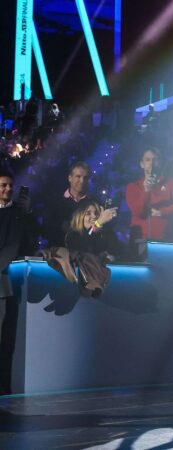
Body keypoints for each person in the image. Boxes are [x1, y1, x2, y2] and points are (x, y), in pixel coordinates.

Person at [0, 170, 37, 394]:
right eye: (3, 185)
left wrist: (27, 211)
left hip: (3, 287)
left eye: (10, 185)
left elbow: (17, 246)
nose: (7, 189)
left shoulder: (19, 214)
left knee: (4, 344)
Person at [125, 148, 173, 241]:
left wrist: (162, 212)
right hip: (140, 239)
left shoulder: (168, 184)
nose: (151, 163)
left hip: (164, 239)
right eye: (147, 160)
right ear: (141, 164)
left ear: (159, 163)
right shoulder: (133, 186)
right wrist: (147, 191)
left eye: (155, 160)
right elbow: (138, 212)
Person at [45, 161, 94, 247]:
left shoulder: (94, 204)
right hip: (59, 252)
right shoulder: (55, 202)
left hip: (84, 254)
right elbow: (45, 230)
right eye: (78, 176)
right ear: (70, 178)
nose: (82, 181)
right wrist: (60, 228)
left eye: (85, 178)